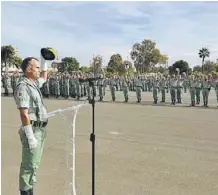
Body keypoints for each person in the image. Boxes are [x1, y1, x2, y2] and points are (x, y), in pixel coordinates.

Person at [13, 48, 57, 195]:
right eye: (36, 67)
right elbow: (24, 114)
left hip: (40, 130)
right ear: (28, 69)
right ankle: (25, 192)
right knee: (28, 165)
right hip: (31, 129)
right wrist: (30, 136)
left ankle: (30, 190)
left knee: (34, 165)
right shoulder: (23, 86)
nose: (39, 70)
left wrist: (44, 62)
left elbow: (44, 78)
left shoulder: (32, 83)